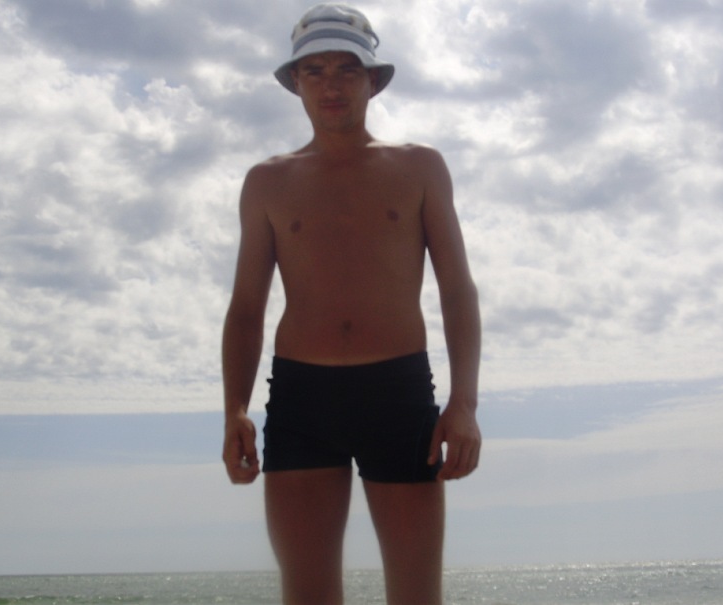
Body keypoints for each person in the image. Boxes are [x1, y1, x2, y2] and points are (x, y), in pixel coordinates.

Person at [222, 4, 481, 604]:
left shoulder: (419, 167)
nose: (331, 84)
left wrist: (464, 403)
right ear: (295, 82)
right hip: (302, 398)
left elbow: (457, 288)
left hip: (397, 392)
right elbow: (246, 308)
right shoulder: (267, 181)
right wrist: (234, 408)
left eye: (347, 69)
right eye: (314, 71)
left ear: (373, 81)